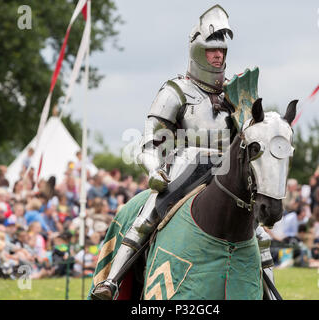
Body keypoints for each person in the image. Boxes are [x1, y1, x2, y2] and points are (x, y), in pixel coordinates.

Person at [93, 5, 243, 299]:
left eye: (222, 51)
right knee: (149, 213)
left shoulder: (235, 91)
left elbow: (248, 138)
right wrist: (155, 170)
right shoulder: (175, 91)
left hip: (227, 171)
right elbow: (149, 140)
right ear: (198, 51)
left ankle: (269, 291)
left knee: (258, 233)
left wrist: (239, 110)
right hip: (186, 167)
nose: (218, 56)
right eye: (212, 50)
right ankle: (110, 282)